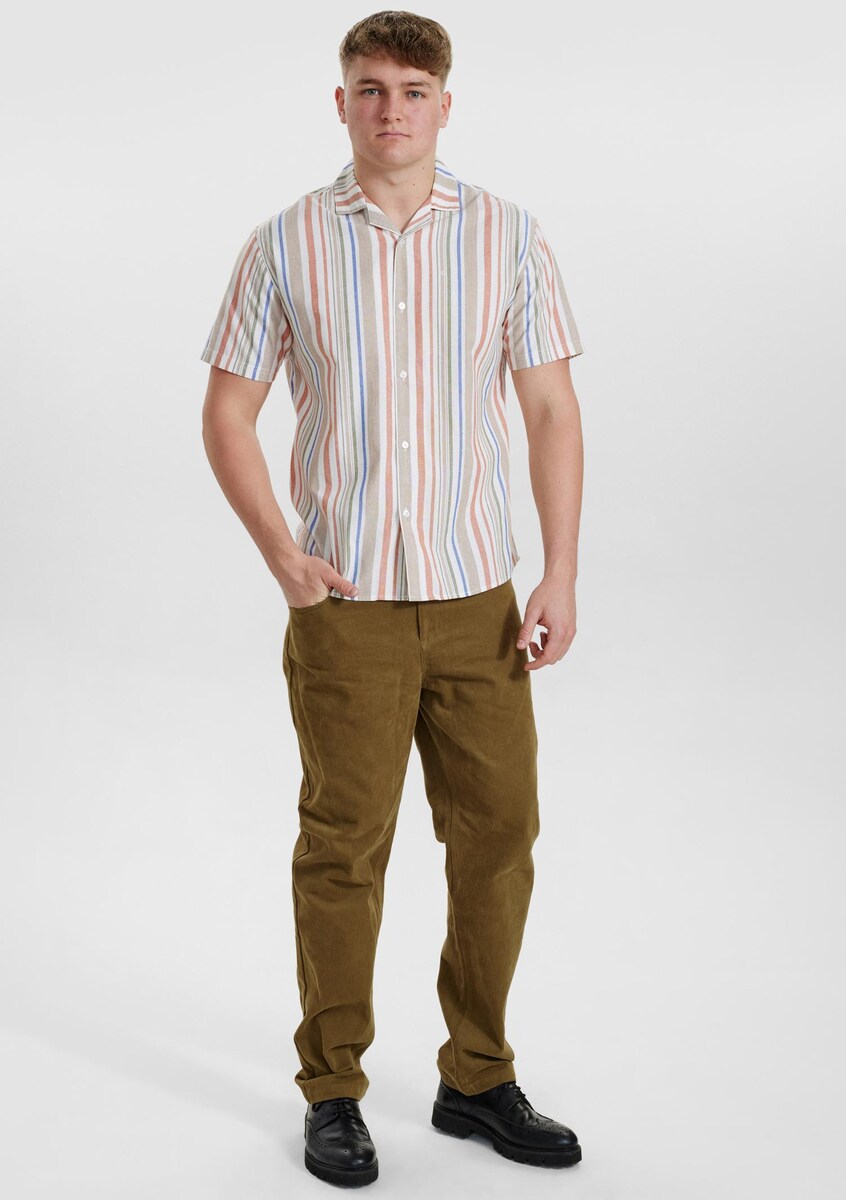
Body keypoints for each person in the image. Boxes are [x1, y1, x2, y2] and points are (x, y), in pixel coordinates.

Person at [200, 9, 585, 1188]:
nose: (392, 110)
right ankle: (334, 1091)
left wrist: (561, 570)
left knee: (501, 836)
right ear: (342, 103)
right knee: (344, 846)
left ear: (445, 106)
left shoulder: (509, 235)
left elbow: (551, 410)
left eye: (413, 91)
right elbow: (228, 414)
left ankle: (478, 1077)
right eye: (370, 88)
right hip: (346, 603)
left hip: (480, 601)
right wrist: (282, 553)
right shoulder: (283, 244)